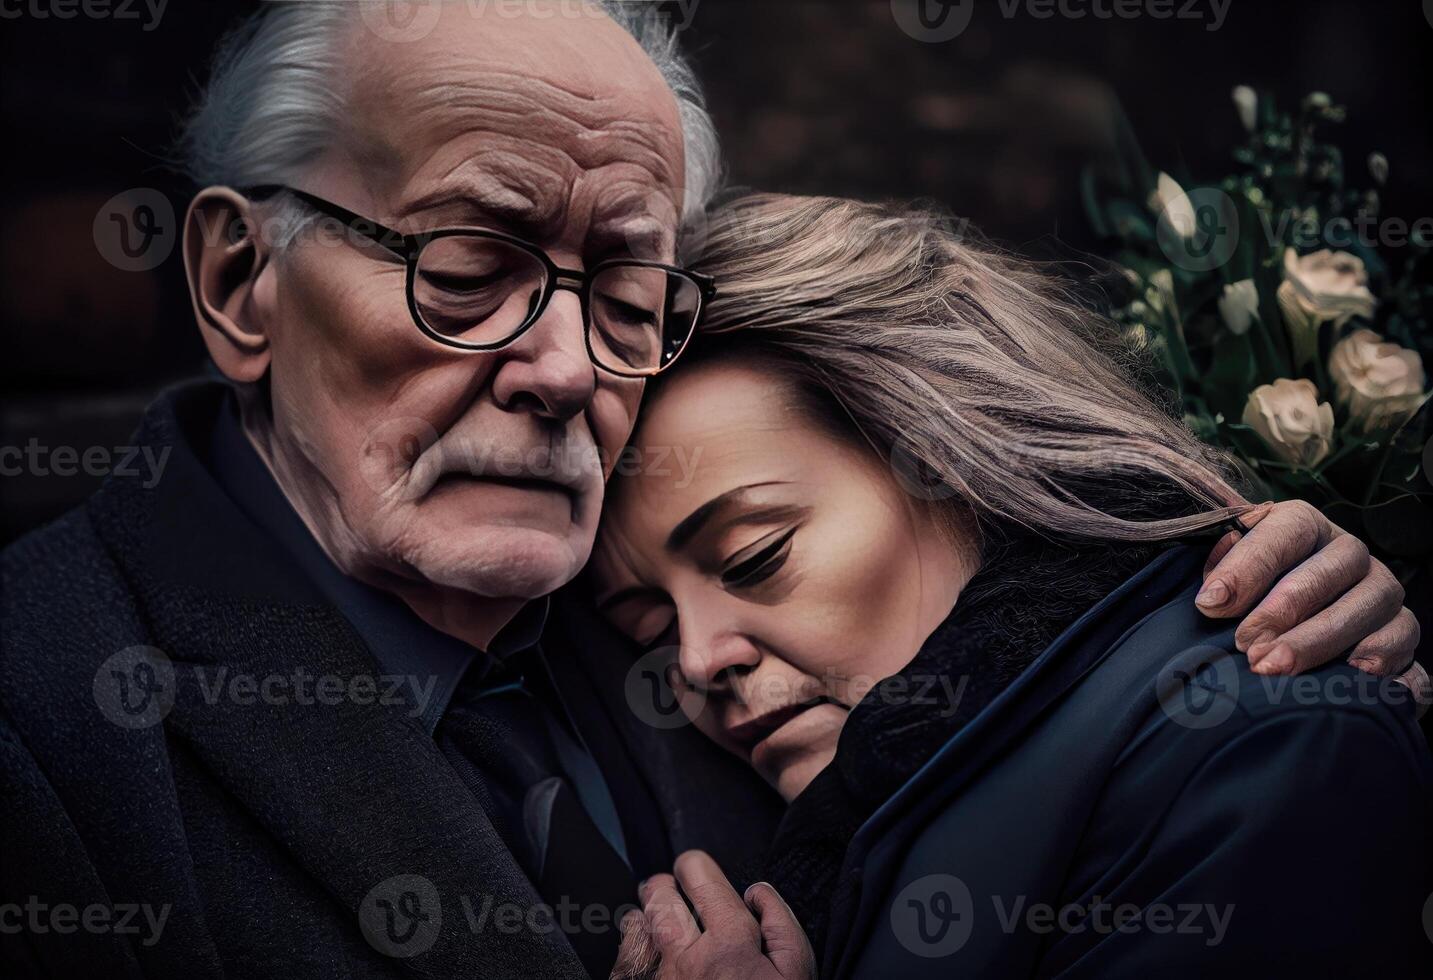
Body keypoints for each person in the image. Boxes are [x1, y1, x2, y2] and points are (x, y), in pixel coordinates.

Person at [0, 5, 1421, 979]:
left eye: (622, 293)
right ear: (240, 282)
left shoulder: (677, 636)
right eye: (468, 267)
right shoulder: (51, 720)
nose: (563, 369)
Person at [594, 193, 1433, 979]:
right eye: (650, 634)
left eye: (754, 556)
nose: (698, 663)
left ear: (952, 465)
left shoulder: (1258, 740)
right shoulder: (809, 833)